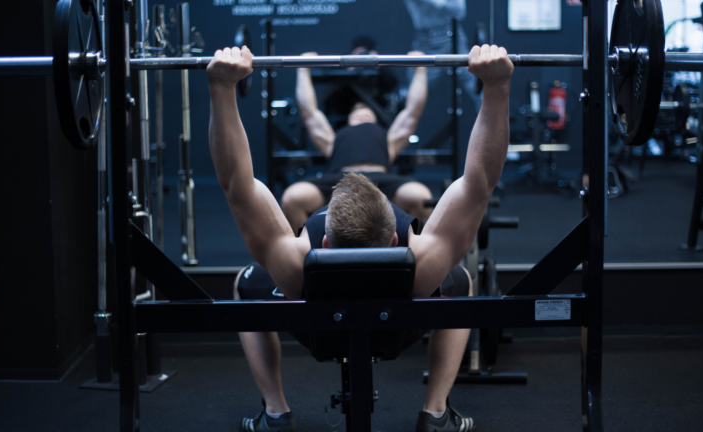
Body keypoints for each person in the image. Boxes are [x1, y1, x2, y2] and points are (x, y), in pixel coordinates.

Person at [206, 43, 513, 432]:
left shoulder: (294, 264)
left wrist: (221, 88)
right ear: (394, 242)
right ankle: (435, 415)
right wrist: (497, 85)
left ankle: (275, 415)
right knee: (461, 281)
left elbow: (236, 184)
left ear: (325, 243)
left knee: (245, 284)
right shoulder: (424, 264)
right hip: (398, 325)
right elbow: (479, 183)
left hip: (318, 326)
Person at [281, 50, 433, 231]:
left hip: (381, 182)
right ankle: (306, 254)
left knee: (421, 198)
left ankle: (413, 253)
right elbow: (310, 113)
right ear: (349, 121)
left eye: (367, 114)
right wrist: (303, 70)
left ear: (376, 121)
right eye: (357, 114)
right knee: (292, 198)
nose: (362, 116)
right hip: (340, 181)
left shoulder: (388, 139)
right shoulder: (333, 140)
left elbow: (412, 112)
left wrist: (421, 69)